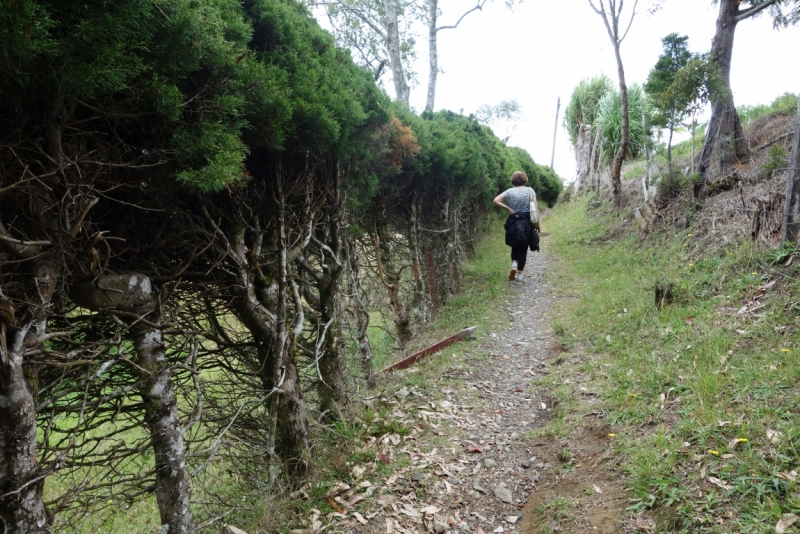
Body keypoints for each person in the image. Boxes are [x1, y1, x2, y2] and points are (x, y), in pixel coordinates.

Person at [492, 171, 540, 282]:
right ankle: (519, 276)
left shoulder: (509, 191)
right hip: (526, 223)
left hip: (513, 221)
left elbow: (496, 200)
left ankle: (514, 264)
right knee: (523, 248)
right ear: (525, 179)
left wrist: (508, 209)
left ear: (513, 180)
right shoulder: (530, 191)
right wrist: (537, 224)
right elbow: (535, 208)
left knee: (514, 245)